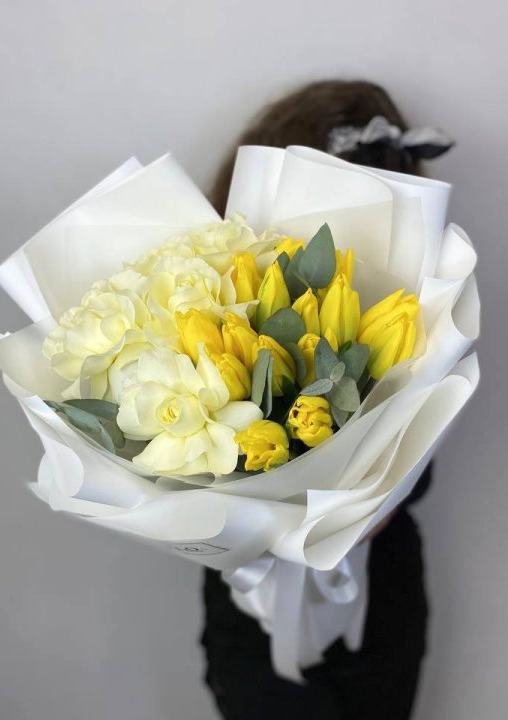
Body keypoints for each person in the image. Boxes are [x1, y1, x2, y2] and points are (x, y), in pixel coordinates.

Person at [200, 80, 453, 720]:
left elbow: (421, 456)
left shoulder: (419, 314)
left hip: (378, 581)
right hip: (251, 591)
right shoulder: (214, 297)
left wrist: (370, 506)